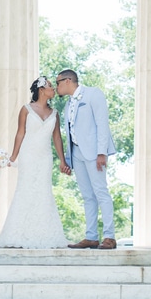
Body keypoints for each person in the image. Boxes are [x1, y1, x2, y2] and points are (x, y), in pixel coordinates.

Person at [0, 76, 69, 249]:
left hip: (45, 158)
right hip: (28, 156)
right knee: (25, 190)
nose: (53, 89)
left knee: (44, 192)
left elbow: (57, 138)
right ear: (41, 90)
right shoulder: (26, 109)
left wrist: (62, 161)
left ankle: (44, 234)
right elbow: (20, 133)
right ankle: (18, 234)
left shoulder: (55, 113)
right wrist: (13, 157)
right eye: (50, 86)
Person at [55, 69, 118, 250]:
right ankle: (91, 236)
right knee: (87, 196)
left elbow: (102, 124)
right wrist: (68, 160)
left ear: (68, 81)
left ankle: (109, 236)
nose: (57, 86)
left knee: (101, 192)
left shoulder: (93, 94)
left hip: (94, 153)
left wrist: (101, 152)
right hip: (77, 154)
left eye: (58, 83)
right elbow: (70, 133)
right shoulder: (67, 104)